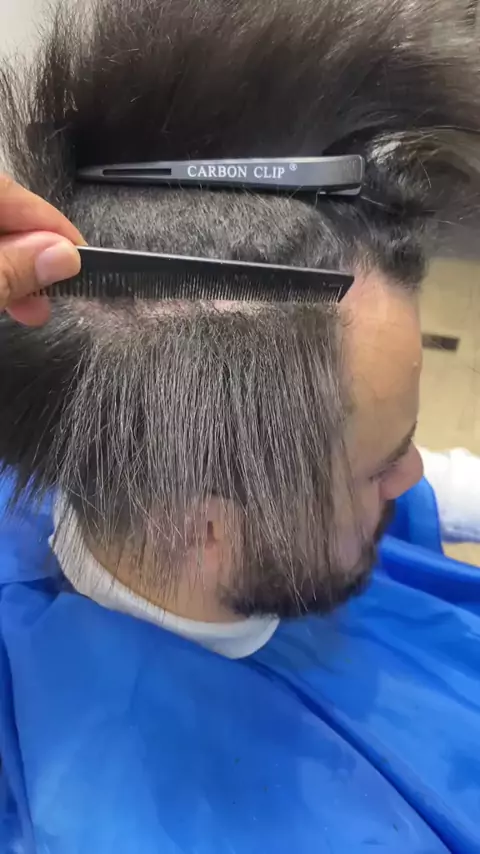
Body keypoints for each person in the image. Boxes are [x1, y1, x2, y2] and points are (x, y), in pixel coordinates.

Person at [0, 0, 479, 851]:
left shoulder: (169, 467)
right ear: (209, 528)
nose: (411, 478)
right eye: (380, 468)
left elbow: (428, 478)